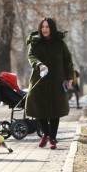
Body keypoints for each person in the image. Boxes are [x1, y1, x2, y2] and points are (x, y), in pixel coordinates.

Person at [26, 18, 74, 150]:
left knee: (55, 110)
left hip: (56, 81)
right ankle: (46, 134)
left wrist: (70, 77)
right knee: (39, 109)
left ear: (51, 28)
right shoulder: (35, 42)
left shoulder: (60, 44)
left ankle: (52, 138)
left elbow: (68, 61)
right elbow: (31, 57)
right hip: (39, 79)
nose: (45, 29)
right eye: (43, 27)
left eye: (47, 27)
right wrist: (39, 64)